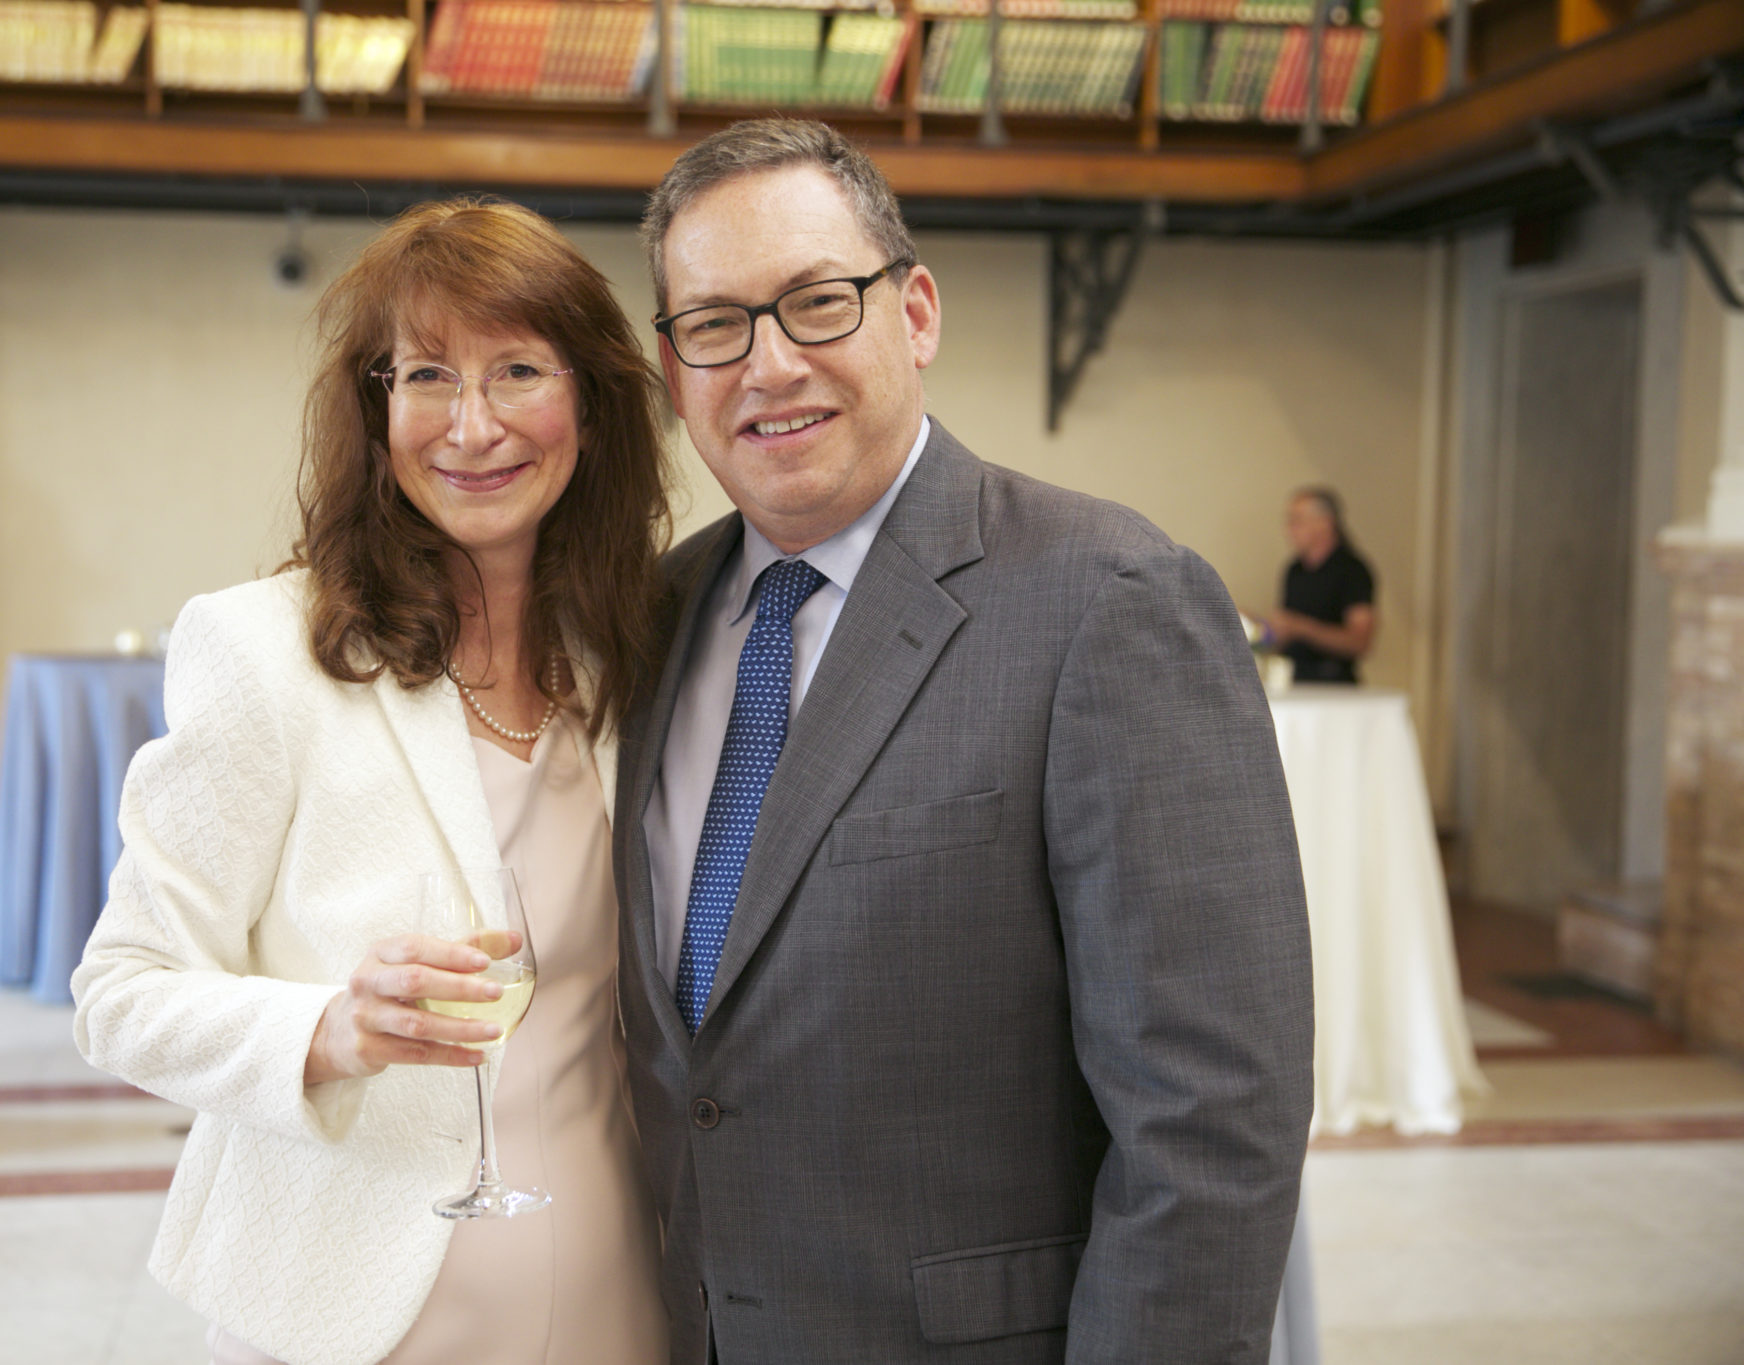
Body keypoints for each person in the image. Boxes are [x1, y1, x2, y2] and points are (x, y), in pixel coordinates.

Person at [614, 118, 1313, 1364]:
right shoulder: (649, 621)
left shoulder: (1109, 599)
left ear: (916, 312)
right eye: (713, 325)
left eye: (817, 303)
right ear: (673, 369)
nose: (769, 364)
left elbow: (1210, 1125)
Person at [72, 198, 673, 1365]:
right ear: (375, 407)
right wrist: (328, 1030)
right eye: (428, 376)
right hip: (358, 1309)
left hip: (617, 1283)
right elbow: (120, 992)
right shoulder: (264, 651)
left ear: (592, 407)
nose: (473, 426)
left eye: (517, 371)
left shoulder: (633, 652)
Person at [1262, 486, 1378, 683]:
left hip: (1334, 683)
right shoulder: (1294, 570)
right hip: (1295, 679)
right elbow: (1285, 632)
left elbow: (1360, 642)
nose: (1289, 530)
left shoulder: (1352, 571)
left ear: (1325, 523)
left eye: (1297, 520)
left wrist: (1301, 627)